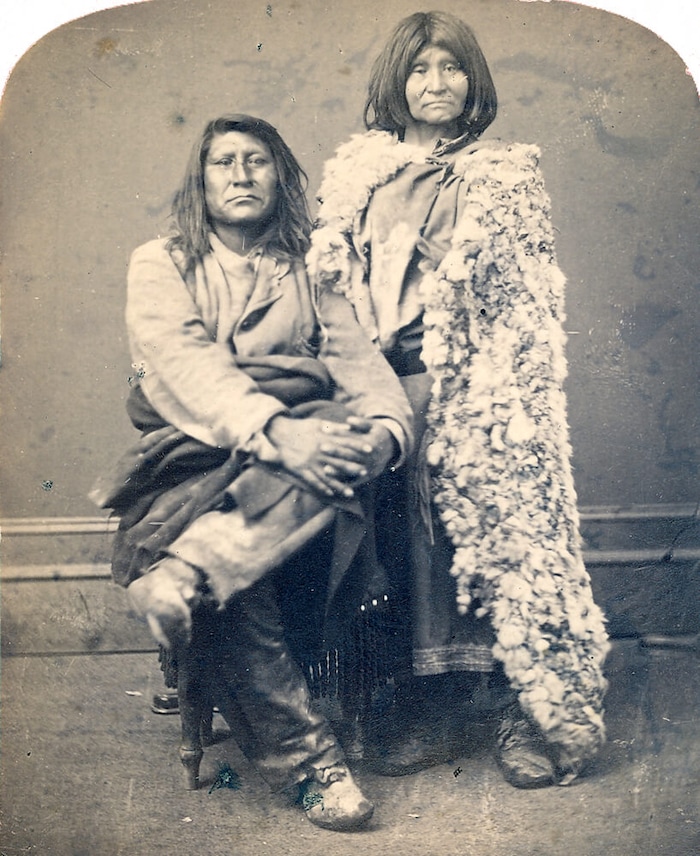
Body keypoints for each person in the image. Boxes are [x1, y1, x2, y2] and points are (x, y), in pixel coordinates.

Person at [308, 10, 610, 788]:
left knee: (494, 543)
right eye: (419, 69)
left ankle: (519, 708)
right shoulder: (360, 177)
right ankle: (429, 707)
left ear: (474, 82)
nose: (435, 84)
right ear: (397, 83)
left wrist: (489, 390)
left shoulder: (505, 177)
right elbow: (333, 290)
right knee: (404, 549)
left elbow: (526, 304)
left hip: (478, 393)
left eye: (451, 68)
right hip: (380, 386)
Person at [91, 113, 414, 830]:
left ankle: (185, 572)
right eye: (224, 162)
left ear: (281, 177)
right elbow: (182, 366)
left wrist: (386, 434)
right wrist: (276, 431)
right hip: (191, 456)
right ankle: (312, 763)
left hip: (304, 459)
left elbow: (359, 362)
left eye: (257, 161)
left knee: (341, 439)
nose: (241, 175)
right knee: (238, 582)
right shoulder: (161, 261)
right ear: (200, 182)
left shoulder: (311, 267)